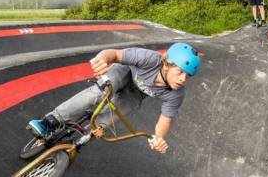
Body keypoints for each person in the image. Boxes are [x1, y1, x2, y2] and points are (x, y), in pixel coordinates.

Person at [26, 43, 201, 154]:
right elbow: (114, 54)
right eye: (180, 72)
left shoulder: (176, 93)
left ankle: (82, 138)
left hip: (136, 93)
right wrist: (102, 59)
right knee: (99, 92)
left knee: (113, 116)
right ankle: (50, 121)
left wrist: (159, 139)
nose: (183, 79)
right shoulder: (149, 58)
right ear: (167, 64)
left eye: (188, 76)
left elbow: (165, 122)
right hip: (124, 73)